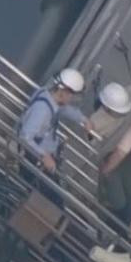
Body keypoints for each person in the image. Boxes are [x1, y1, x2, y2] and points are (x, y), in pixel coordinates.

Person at [16, 68, 93, 201]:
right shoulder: (43, 110)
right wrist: (43, 155)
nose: (72, 99)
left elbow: (63, 109)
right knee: (50, 200)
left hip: (41, 157)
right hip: (36, 158)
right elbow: (25, 136)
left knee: (46, 197)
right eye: (72, 95)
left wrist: (83, 119)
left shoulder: (48, 94)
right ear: (65, 92)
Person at [91, 82, 131, 220]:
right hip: (109, 156)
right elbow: (91, 146)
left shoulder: (123, 98)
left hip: (123, 153)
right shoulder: (96, 122)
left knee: (128, 193)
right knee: (117, 198)